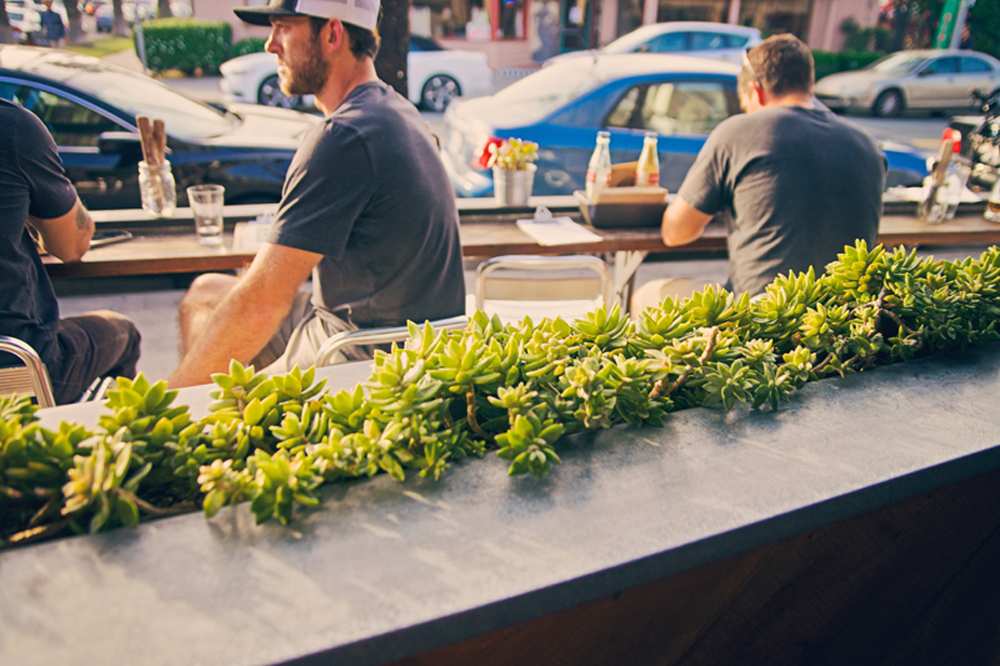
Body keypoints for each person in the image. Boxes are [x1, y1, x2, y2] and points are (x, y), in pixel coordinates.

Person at [168, 0, 466, 388]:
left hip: (360, 359)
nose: (270, 45)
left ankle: (197, 426)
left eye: (284, 27)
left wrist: (167, 403)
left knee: (230, 330)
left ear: (332, 34)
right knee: (205, 292)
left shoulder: (342, 137)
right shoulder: (398, 111)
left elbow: (262, 303)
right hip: (407, 342)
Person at [637, 34, 885, 307]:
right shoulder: (868, 145)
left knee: (647, 296)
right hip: (848, 322)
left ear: (757, 91)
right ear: (809, 85)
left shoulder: (738, 132)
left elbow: (675, 232)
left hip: (764, 323)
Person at [0, 99, 141, 404]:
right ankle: (102, 448)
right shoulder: (12, 127)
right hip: (18, 370)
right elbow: (71, 246)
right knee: (123, 332)